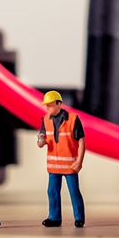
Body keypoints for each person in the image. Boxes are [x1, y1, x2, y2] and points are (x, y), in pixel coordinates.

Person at [36, 90, 85, 228]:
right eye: (46, 105)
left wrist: (79, 161)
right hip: (53, 166)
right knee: (52, 191)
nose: (48, 108)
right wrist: (41, 141)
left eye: (50, 105)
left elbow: (81, 142)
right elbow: (41, 141)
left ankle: (79, 218)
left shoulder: (73, 119)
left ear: (59, 104)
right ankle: (54, 218)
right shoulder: (45, 119)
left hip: (70, 165)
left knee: (74, 191)